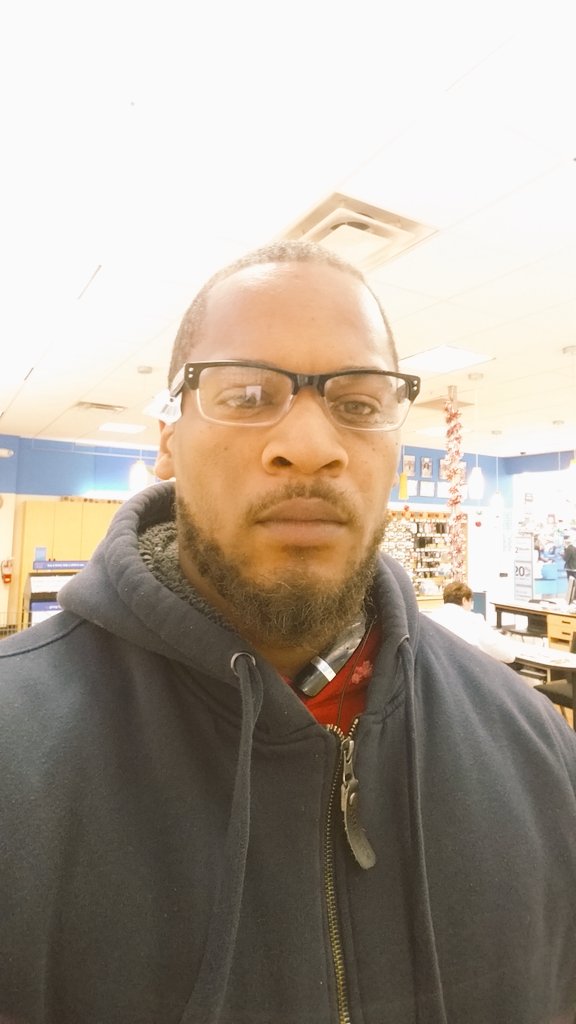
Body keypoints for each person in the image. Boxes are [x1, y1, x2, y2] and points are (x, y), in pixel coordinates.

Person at [0, 241, 575, 1024]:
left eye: (359, 404)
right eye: (245, 394)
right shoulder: (16, 754)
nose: (310, 447)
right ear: (167, 439)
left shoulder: (538, 753)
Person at [427, 580, 520, 664]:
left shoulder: (431, 618)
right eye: (471, 602)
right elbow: (507, 655)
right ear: (464, 600)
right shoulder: (473, 620)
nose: (471, 607)